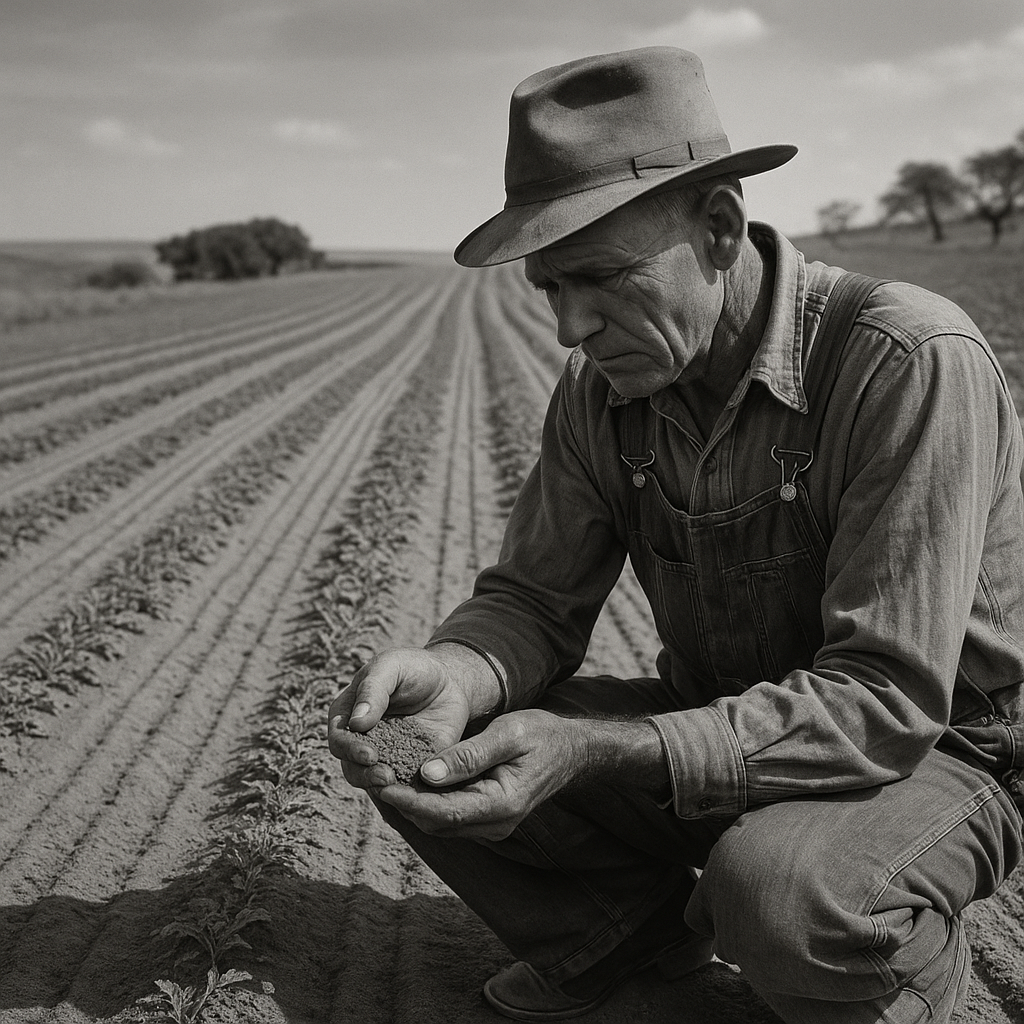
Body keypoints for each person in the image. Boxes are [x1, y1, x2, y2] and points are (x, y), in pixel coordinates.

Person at [328, 46, 1024, 1023]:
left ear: (721, 229)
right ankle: (631, 958)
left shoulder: (901, 360)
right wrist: (459, 674)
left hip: (934, 755)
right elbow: (531, 600)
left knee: (778, 886)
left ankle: (889, 989)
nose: (571, 325)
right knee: (423, 747)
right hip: (727, 711)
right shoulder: (603, 395)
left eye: (601, 277)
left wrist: (602, 748)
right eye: (548, 289)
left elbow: (883, 701)